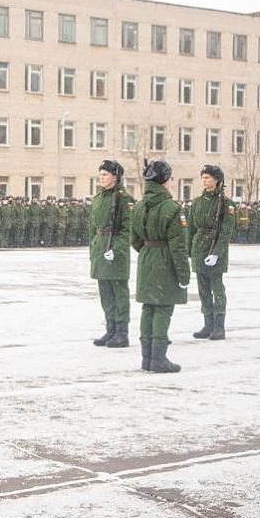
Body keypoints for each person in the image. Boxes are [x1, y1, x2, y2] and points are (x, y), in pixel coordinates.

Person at [131, 160, 190, 373]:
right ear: (164, 180)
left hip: (146, 258)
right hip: (165, 260)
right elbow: (178, 246)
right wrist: (184, 274)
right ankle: (159, 358)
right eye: (171, 178)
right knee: (163, 308)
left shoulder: (139, 206)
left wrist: (149, 251)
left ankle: (147, 358)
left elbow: (134, 239)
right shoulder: (172, 208)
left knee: (148, 307)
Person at [89, 160, 135, 348]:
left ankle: (122, 332)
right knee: (105, 292)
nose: (101, 177)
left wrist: (116, 249)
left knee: (119, 292)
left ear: (115, 177)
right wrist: (93, 248)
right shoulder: (99, 198)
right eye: (100, 174)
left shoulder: (125, 199)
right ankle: (110, 329)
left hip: (116, 250)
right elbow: (93, 226)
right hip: (101, 247)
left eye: (105, 174)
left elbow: (128, 229)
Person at [187, 165, 235, 341]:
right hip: (199, 247)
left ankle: (219, 326)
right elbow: (191, 228)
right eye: (203, 177)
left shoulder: (226, 203)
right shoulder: (198, 202)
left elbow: (226, 231)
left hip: (215, 248)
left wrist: (216, 252)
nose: (205, 180)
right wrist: (189, 250)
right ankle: (207, 324)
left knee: (217, 289)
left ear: (217, 180)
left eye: (208, 177)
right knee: (203, 290)